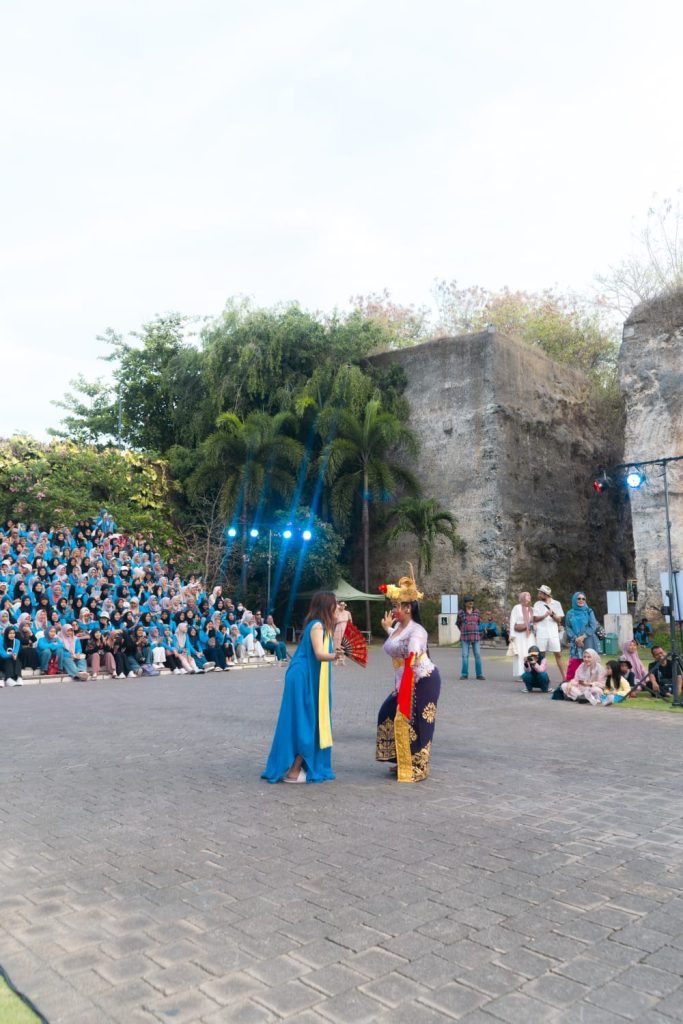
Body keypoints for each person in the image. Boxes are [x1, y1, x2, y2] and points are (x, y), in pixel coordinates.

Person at [262, 591, 339, 784]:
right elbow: (319, 654)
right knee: (306, 721)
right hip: (303, 677)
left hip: (308, 676)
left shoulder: (323, 626)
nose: (338, 607)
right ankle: (293, 771)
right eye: (335, 604)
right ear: (327, 606)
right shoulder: (317, 626)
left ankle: (295, 766)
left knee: (305, 720)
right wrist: (336, 655)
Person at [376, 568, 442, 783]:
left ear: (408, 608)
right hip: (404, 681)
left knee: (419, 722)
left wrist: (413, 654)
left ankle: (418, 766)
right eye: (395, 605)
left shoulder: (417, 631)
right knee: (387, 712)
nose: (395, 610)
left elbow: (414, 645)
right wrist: (387, 628)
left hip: (422, 679)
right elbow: (397, 642)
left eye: (398, 606)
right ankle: (402, 759)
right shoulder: (397, 627)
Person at [564, 591, 601, 681]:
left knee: (589, 662)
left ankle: (591, 683)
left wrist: (583, 636)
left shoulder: (589, 611)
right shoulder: (570, 613)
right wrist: (576, 638)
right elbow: (568, 627)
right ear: (574, 599)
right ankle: (572, 682)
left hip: (588, 641)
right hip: (575, 641)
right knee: (574, 663)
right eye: (579, 598)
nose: (581, 600)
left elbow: (593, 626)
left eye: (583, 599)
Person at [532, 585, 565, 682]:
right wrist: (544, 615)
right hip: (541, 634)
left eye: (540, 592)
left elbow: (559, 620)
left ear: (545, 594)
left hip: (553, 634)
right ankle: (544, 677)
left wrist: (552, 615)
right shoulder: (537, 604)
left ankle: (564, 677)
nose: (538, 594)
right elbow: (535, 619)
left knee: (558, 654)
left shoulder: (557, 603)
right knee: (541, 656)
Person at [456, 596, 484, 680]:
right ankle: (464, 674)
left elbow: (479, 622)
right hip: (465, 636)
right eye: (469, 601)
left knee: (477, 655)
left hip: (475, 636)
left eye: (472, 601)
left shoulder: (477, 612)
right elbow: (458, 623)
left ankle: (479, 674)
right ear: (465, 603)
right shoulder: (460, 613)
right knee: (465, 655)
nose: (471, 602)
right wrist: (463, 629)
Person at [508, 591, 534, 678]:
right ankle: (520, 674)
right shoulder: (517, 607)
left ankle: (529, 672)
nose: (529, 596)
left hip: (529, 635)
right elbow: (512, 621)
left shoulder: (532, 609)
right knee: (520, 654)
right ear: (522, 597)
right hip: (519, 634)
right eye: (527, 595)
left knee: (529, 653)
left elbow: (534, 622)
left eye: (530, 595)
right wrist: (511, 634)